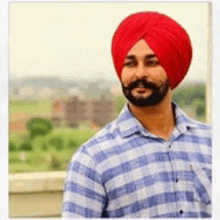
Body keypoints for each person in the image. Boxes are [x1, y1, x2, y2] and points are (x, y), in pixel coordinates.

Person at [62, 11, 212, 218]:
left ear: (172, 68)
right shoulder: (93, 159)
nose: (140, 73)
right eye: (130, 63)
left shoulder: (211, 143)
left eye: (152, 62)